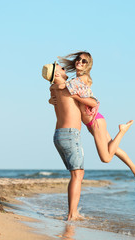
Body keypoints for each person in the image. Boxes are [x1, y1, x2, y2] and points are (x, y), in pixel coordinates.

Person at [51, 51, 135, 190]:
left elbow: (64, 87)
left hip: (96, 122)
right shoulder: (76, 79)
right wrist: (52, 96)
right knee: (114, 149)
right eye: (78, 59)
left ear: (88, 66)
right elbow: (62, 92)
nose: (79, 62)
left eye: (84, 61)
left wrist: (55, 87)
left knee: (106, 158)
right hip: (93, 123)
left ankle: (122, 131)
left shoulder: (82, 79)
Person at [42, 62, 98, 221]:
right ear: (57, 75)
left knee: (75, 174)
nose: (66, 69)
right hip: (70, 134)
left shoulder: (53, 88)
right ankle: (72, 214)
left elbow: (54, 90)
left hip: (58, 135)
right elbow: (92, 101)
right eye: (62, 68)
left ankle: (72, 212)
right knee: (78, 174)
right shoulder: (68, 86)